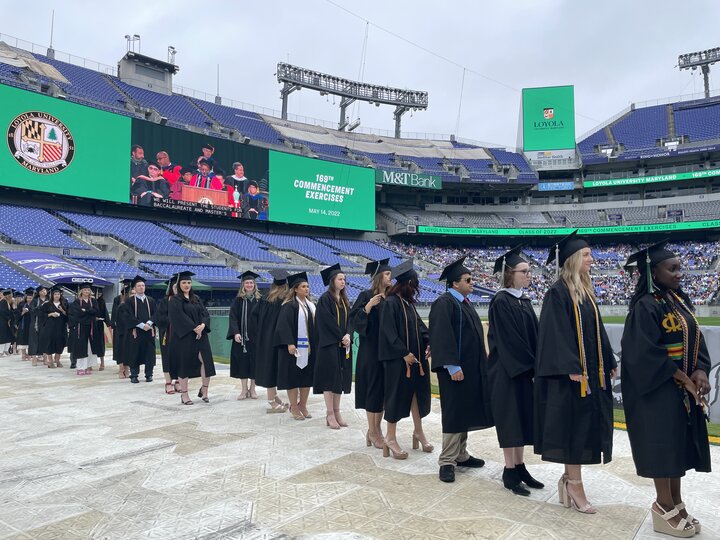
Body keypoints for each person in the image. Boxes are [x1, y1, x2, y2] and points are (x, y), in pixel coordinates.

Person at [621, 242, 711, 537]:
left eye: (680, 267)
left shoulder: (678, 301)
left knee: (677, 448)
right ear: (653, 271)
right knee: (663, 448)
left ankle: (677, 503)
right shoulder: (645, 306)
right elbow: (644, 354)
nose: (679, 274)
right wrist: (683, 379)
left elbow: (695, 338)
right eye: (672, 269)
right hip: (656, 391)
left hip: (678, 391)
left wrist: (699, 369)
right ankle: (663, 506)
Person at [534, 231, 617, 514]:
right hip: (572, 378)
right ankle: (574, 484)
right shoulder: (557, 293)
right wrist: (571, 366)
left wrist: (609, 359)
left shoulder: (586, 292)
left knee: (584, 429)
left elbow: (598, 331)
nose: (592, 260)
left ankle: (571, 480)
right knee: (574, 432)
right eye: (586, 255)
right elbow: (553, 333)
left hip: (591, 376)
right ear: (572, 259)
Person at [429, 256, 493, 483]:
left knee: (465, 411)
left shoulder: (464, 303)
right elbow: (441, 337)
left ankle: (461, 454)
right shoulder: (444, 303)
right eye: (468, 279)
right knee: (454, 413)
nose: (471, 282)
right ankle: (447, 460)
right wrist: (452, 366)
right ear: (455, 283)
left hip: (470, 370)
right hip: (454, 371)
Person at [487, 246, 544, 495]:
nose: (528, 275)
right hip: (508, 371)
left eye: (529, 271)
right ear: (509, 274)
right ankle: (509, 471)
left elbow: (535, 335)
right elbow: (510, 341)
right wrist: (531, 365)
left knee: (522, 420)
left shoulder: (523, 300)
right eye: (524, 271)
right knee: (511, 421)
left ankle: (520, 467)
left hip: (524, 370)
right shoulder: (501, 301)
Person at [378, 259, 431, 459]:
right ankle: (389, 438)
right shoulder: (390, 304)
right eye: (414, 286)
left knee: (416, 394)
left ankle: (418, 431)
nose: (415, 291)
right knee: (395, 397)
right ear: (408, 284)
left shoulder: (408, 304)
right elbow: (388, 333)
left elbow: (420, 327)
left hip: (415, 361)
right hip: (397, 361)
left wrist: (428, 342)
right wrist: (403, 353)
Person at [350, 258, 392, 449]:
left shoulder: (391, 297)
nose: (391, 277)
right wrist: (368, 307)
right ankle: (373, 431)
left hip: (386, 352)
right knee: (371, 391)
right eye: (387, 274)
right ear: (378, 277)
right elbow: (354, 321)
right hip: (370, 351)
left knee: (382, 392)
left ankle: (375, 430)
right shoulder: (365, 295)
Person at [314, 264, 353, 429]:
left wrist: (349, 335)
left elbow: (350, 320)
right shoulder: (325, 299)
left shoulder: (344, 300)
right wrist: (341, 337)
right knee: (330, 380)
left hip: (342, 345)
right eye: (340, 279)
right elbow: (327, 322)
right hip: (329, 346)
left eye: (344, 279)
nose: (343, 281)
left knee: (340, 380)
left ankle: (337, 412)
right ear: (332, 281)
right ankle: (330, 414)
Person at [169, 271, 215, 405]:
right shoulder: (175, 300)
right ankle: (184, 395)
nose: (187, 285)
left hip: (201, 335)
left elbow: (205, 313)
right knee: (184, 365)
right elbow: (178, 317)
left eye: (189, 282)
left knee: (206, 362)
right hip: (184, 337)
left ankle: (204, 391)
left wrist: (202, 325)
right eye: (184, 282)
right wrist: (194, 328)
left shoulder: (197, 298)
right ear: (179, 284)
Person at [275, 272, 316, 420]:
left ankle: (302, 405)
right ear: (296, 289)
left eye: (308, 286)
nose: (307, 289)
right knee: (292, 378)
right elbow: (283, 326)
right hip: (293, 350)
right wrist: (290, 343)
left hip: (309, 349)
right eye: (303, 286)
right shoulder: (289, 306)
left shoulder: (311, 306)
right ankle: (293, 406)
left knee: (306, 378)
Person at [252, 270, 289, 413]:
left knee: (270, 368)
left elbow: (253, 317)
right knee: (274, 369)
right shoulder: (285, 300)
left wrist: (260, 335)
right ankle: (272, 401)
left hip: (266, 339)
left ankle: (274, 397)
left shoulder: (266, 298)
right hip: (280, 339)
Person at [228, 271, 261, 400]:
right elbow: (233, 318)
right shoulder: (238, 300)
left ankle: (252, 389)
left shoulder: (259, 300)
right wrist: (235, 332)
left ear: (254, 284)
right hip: (241, 338)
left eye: (251, 282)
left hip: (256, 337)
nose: (249, 284)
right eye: (247, 282)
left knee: (254, 363)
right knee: (242, 363)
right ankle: (243, 390)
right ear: (243, 285)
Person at [119, 275, 156, 383]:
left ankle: (149, 374)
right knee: (135, 352)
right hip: (136, 332)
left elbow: (156, 314)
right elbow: (128, 316)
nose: (141, 287)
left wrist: (149, 323)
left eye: (143, 285)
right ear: (134, 288)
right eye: (139, 286)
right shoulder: (129, 301)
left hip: (149, 331)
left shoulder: (151, 300)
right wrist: (141, 325)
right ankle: (134, 375)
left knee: (149, 353)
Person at [67, 283, 103, 376]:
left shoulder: (93, 301)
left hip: (91, 326)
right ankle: (80, 367)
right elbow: (77, 314)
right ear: (81, 291)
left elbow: (96, 311)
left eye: (88, 290)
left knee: (90, 347)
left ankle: (88, 366)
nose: (87, 291)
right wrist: (89, 312)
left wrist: (86, 311)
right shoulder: (77, 301)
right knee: (81, 347)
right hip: (81, 327)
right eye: (85, 290)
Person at [155, 279, 179, 394]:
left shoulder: (185, 300)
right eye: (174, 287)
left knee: (181, 358)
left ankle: (179, 381)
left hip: (181, 335)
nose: (176, 289)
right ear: (171, 288)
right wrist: (175, 319)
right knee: (167, 358)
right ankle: (168, 383)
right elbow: (159, 318)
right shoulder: (165, 301)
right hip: (168, 335)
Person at [39, 286, 68, 368]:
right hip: (50, 328)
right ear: (52, 295)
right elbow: (41, 314)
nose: (57, 295)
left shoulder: (64, 304)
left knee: (60, 343)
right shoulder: (47, 304)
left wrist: (62, 311)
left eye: (58, 294)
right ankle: (50, 361)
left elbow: (68, 316)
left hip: (61, 327)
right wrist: (50, 314)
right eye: (55, 294)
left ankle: (57, 360)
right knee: (49, 343)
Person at [110, 279, 132, 378]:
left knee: (128, 349)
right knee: (120, 349)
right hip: (120, 329)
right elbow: (114, 314)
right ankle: (121, 369)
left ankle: (127, 368)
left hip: (129, 329)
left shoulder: (132, 301)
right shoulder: (118, 300)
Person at [27, 285, 48, 366]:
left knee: (45, 341)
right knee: (34, 341)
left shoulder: (48, 300)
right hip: (35, 323)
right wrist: (41, 306)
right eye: (42, 291)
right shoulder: (35, 300)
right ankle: (34, 359)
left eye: (45, 290)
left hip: (46, 323)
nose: (44, 292)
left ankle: (45, 358)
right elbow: (32, 311)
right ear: (39, 293)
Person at [15, 287, 35, 361]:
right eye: (28, 298)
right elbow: (17, 315)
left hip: (31, 324)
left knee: (30, 339)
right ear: (26, 297)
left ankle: (29, 354)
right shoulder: (21, 304)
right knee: (23, 339)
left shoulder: (34, 304)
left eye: (31, 298)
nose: (29, 299)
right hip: (23, 326)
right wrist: (23, 312)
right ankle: (23, 355)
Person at [94, 287, 110, 371]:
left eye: (99, 294)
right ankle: (89, 364)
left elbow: (105, 313)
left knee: (100, 344)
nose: (98, 295)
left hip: (99, 324)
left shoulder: (102, 301)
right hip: (90, 324)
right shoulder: (90, 301)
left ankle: (102, 363)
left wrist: (108, 323)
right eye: (96, 293)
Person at [0, 289, 12, 356]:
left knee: (8, 336)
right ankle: (1, 352)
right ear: (7, 296)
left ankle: (5, 350)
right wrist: (8, 318)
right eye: (10, 295)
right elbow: (2, 312)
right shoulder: (3, 302)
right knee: (3, 337)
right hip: (2, 322)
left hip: (5, 322)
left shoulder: (6, 302)